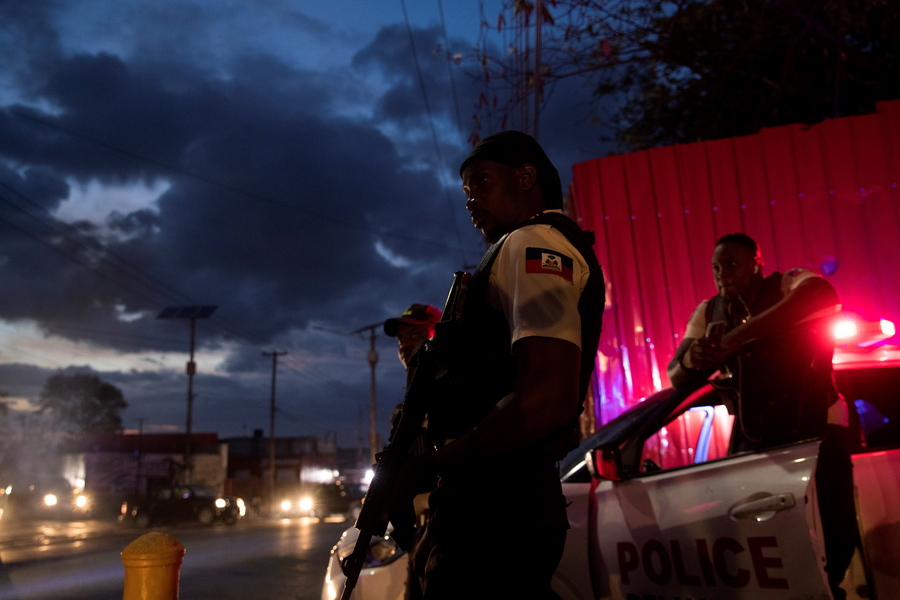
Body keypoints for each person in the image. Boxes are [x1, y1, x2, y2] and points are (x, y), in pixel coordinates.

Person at [397, 130, 605, 599]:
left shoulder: (531, 242)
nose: (470, 199)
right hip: (500, 502)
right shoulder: (525, 245)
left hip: (497, 506)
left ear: (526, 177)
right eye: (465, 189)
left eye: (482, 182)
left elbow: (546, 399)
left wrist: (434, 464)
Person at [667, 232, 858, 600]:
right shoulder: (708, 311)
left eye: (732, 264)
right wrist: (693, 358)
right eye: (716, 267)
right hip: (754, 433)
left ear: (757, 263)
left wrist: (736, 338)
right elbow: (676, 374)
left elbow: (822, 295)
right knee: (761, 535)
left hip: (814, 427)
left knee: (830, 529)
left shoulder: (786, 284)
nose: (723, 273)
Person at [383, 303, 441, 600]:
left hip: (448, 515)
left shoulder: (446, 383)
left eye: (415, 334)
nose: (405, 344)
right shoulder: (415, 388)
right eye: (400, 339)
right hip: (426, 521)